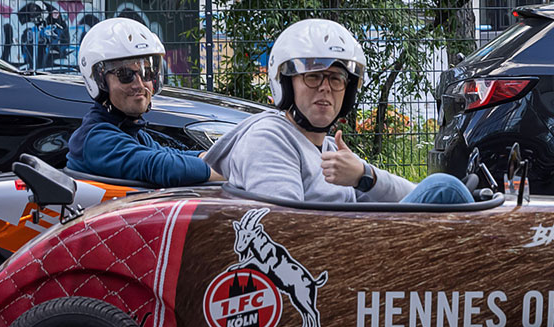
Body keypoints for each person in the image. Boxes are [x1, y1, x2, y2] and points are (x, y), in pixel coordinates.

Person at [203, 18, 474, 205]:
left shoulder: (328, 148)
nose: (325, 88)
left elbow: (410, 194)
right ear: (285, 84)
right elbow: (285, 228)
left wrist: (363, 175)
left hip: (348, 256)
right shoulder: (270, 138)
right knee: (444, 189)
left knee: (448, 193)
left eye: (336, 79)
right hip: (331, 269)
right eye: (313, 77)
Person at [67, 18, 222, 186]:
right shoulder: (97, 139)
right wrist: (232, 171)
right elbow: (160, 166)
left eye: (147, 73)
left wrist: (218, 157)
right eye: (125, 74)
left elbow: (169, 154)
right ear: (99, 82)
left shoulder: (130, 132)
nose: (139, 85)